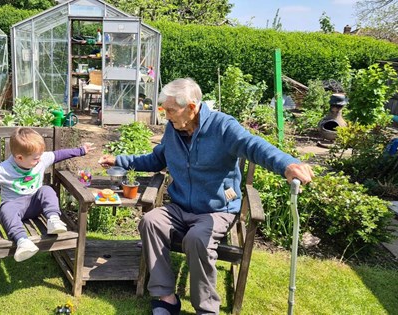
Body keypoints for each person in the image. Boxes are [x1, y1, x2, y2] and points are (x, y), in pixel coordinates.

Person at [98, 78, 313, 315]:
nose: (165, 115)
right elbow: (157, 158)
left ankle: (207, 309)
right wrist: (120, 160)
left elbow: (253, 145)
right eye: (164, 109)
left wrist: (287, 164)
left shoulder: (222, 127)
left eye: (170, 110)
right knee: (150, 222)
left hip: (217, 209)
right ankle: (166, 297)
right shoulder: (173, 129)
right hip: (180, 207)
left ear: (191, 107)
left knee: (197, 239)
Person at [0, 127, 95, 262]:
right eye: (36, 158)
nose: (40, 160)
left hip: (35, 206)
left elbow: (59, 154)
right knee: (5, 208)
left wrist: (81, 150)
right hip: (15, 207)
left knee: (46, 190)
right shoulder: (4, 168)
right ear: (19, 157)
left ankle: (53, 220)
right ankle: (22, 241)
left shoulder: (40, 158)